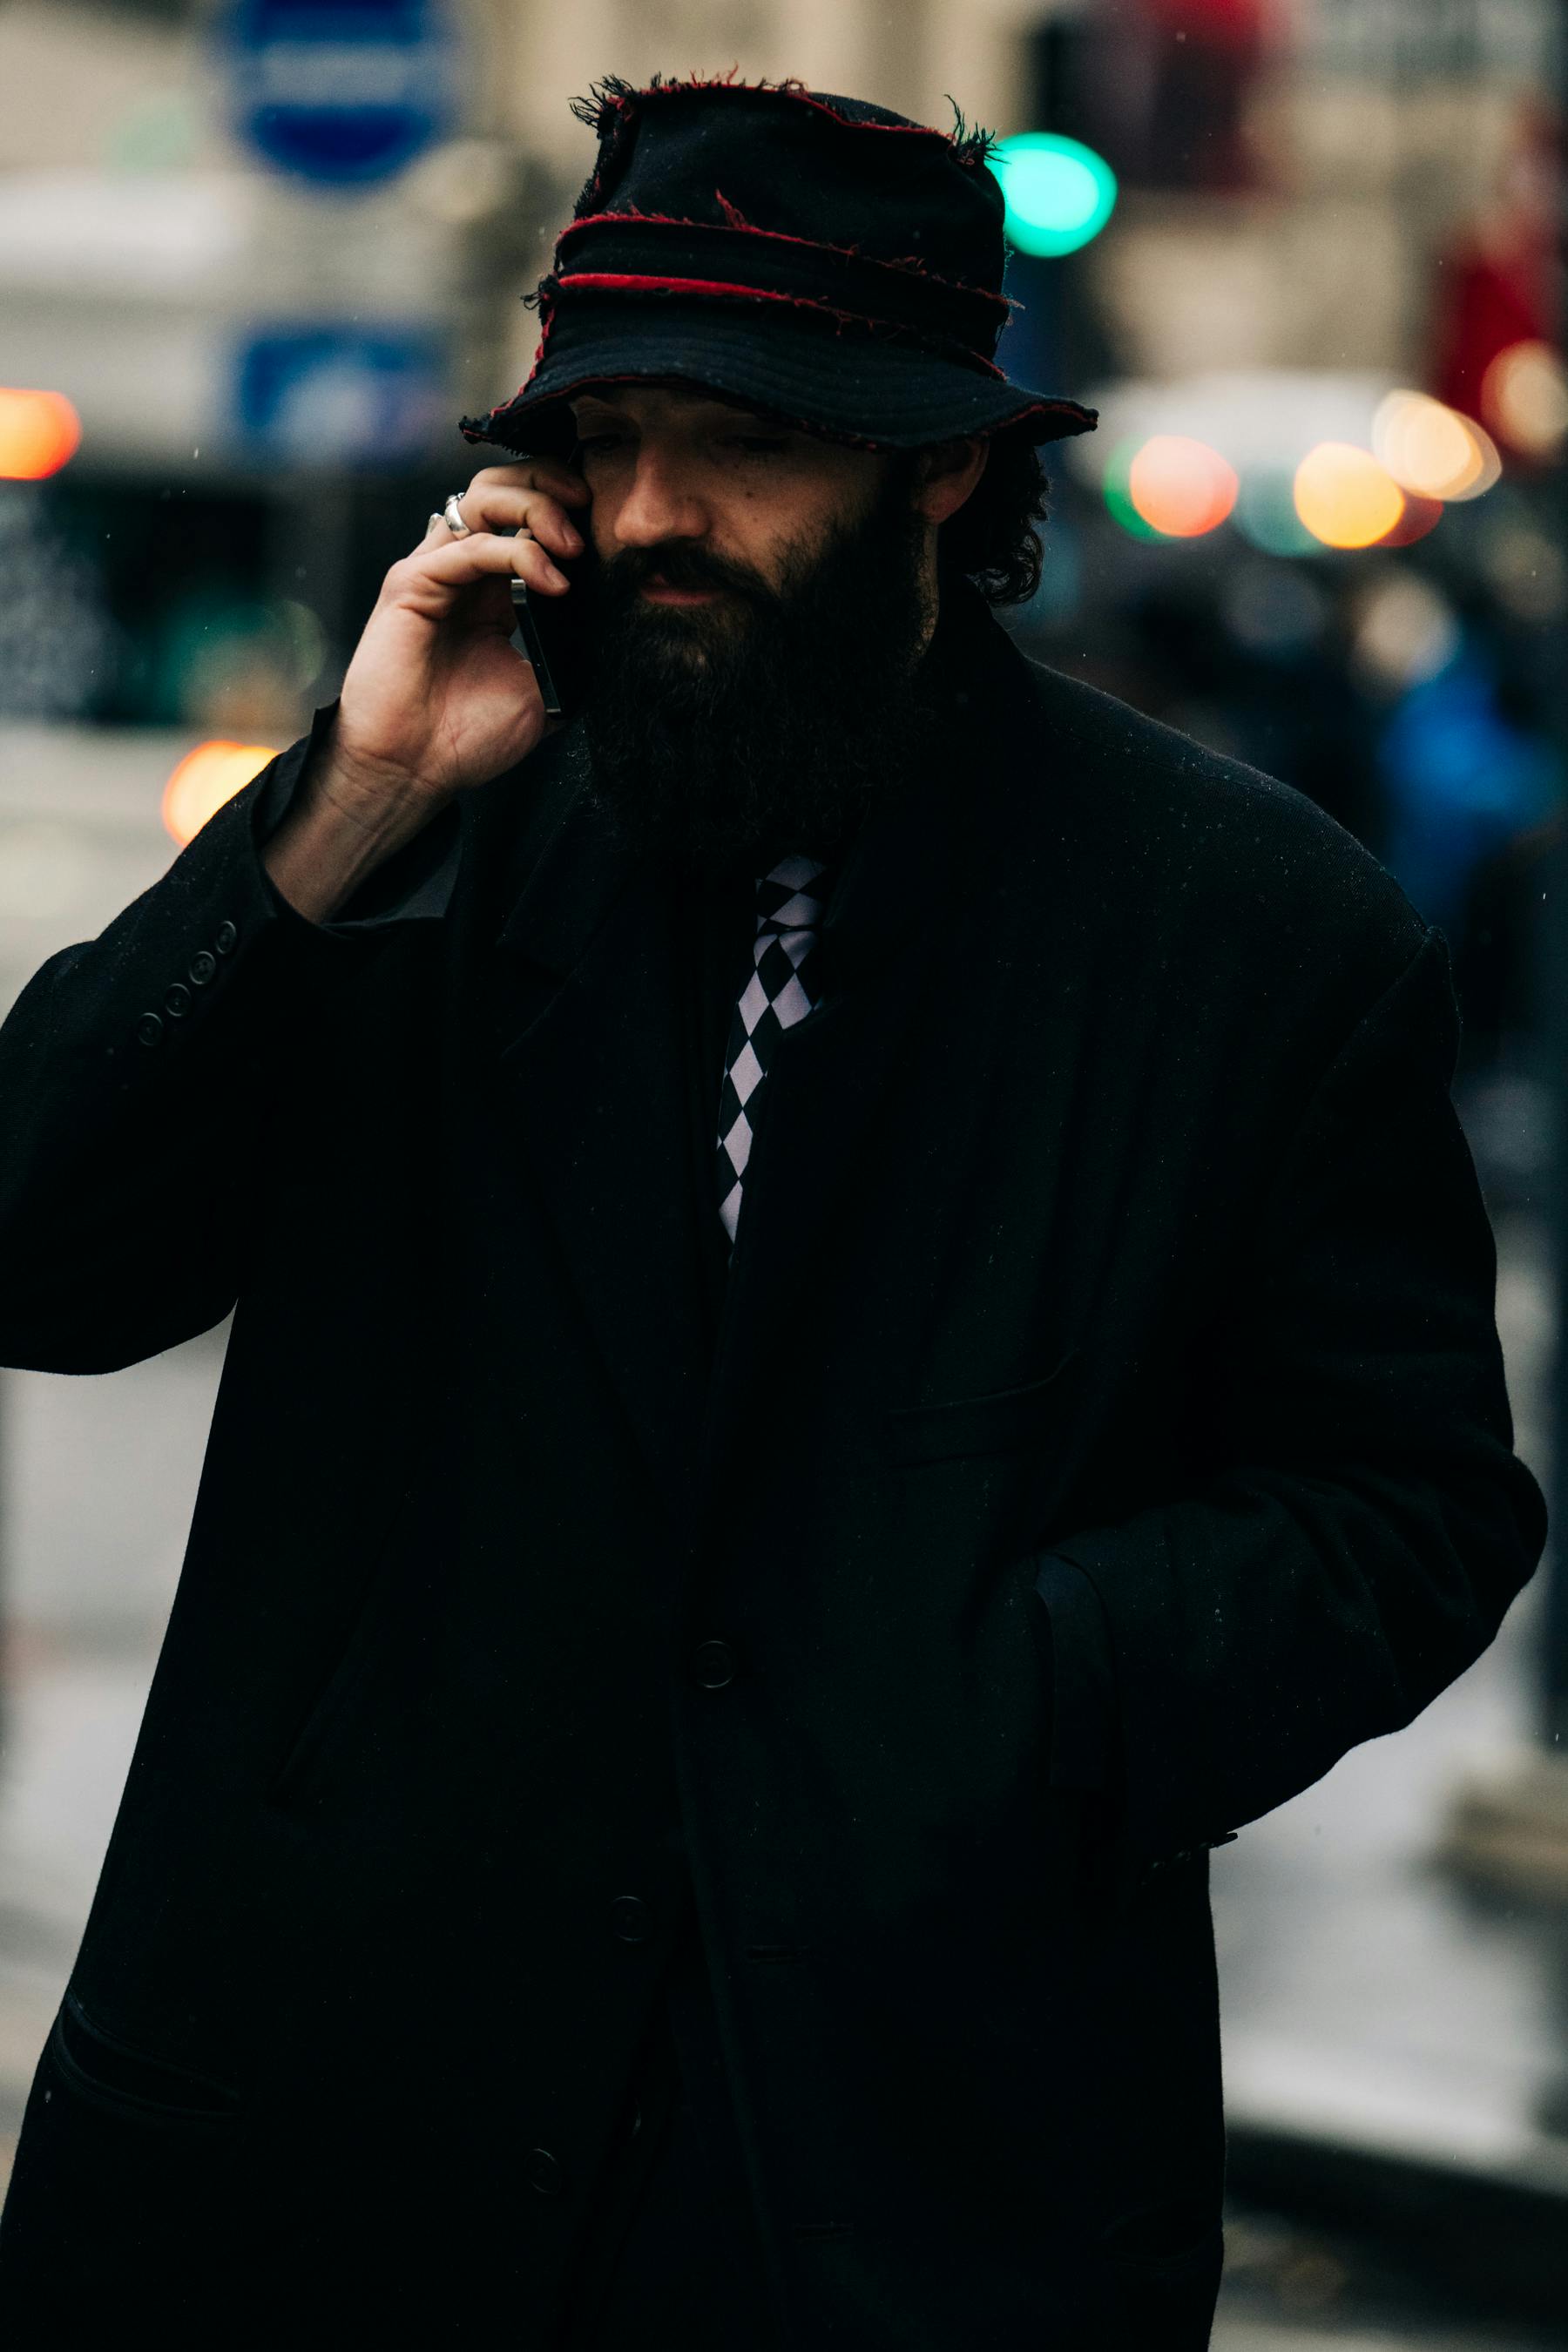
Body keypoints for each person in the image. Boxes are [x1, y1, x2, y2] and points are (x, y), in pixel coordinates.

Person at [0, 74, 1546, 2350]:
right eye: (600, 445)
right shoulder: (425, 827)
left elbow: (1409, 1505)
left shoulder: (1245, 934)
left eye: (740, 441)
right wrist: (343, 799)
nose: (649, 517)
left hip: (899, 2180)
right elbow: (40, 1242)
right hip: (320, 2151)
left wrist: (1006, 1698)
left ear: (939, 468)